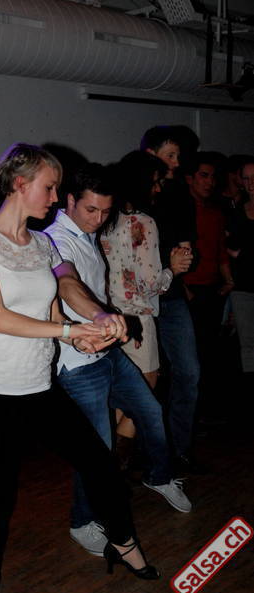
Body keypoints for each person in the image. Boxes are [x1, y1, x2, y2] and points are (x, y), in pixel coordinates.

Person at [0, 143, 159, 593]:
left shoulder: (43, 243)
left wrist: (87, 329)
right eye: (49, 188)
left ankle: (123, 542)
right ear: (20, 184)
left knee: (100, 464)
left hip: (38, 386)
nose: (54, 198)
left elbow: (61, 290)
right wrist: (68, 331)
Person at [45, 161, 191, 559]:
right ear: (70, 201)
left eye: (105, 211)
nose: (98, 219)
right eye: (91, 209)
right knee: (96, 447)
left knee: (150, 411)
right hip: (78, 360)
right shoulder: (56, 239)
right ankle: (82, 522)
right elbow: (67, 284)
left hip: (106, 349)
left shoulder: (88, 232)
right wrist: (100, 316)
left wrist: (110, 320)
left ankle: (159, 476)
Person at [101, 151, 192, 467]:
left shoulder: (105, 220)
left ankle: (106, 462)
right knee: (146, 391)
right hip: (137, 317)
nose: (157, 188)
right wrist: (173, 269)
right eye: (154, 182)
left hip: (108, 315)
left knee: (119, 394)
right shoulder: (143, 222)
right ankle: (116, 462)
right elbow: (150, 283)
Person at [140, 127, 201, 474]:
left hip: (172, 296)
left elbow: (186, 243)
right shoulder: (133, 194)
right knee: (145, 377)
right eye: (170, 156)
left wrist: (185, 256)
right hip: (139, 300)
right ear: (150, 155)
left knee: (189, 372)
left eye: (179, 156)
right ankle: (143, 451)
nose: (176, 163)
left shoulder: (179, 192)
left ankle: (178, 451)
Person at [183, 153, 234, 421]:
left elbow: (221, 251)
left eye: (212, 177)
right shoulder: (181, 211)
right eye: (204, 175)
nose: (209, 182)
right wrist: (183, 289)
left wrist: (228, 281)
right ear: (189, 178)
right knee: (192, 358)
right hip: (189, 291)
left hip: (213, 291)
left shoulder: (215, 213)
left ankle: (208, 414)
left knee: (211, 354)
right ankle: (194, 416)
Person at [226, 158, 254, 401]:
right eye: (246, 178)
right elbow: (227, 246)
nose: (250, 183)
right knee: (248, 344)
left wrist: (242, 253)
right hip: (243, 285)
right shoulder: (236, 211)